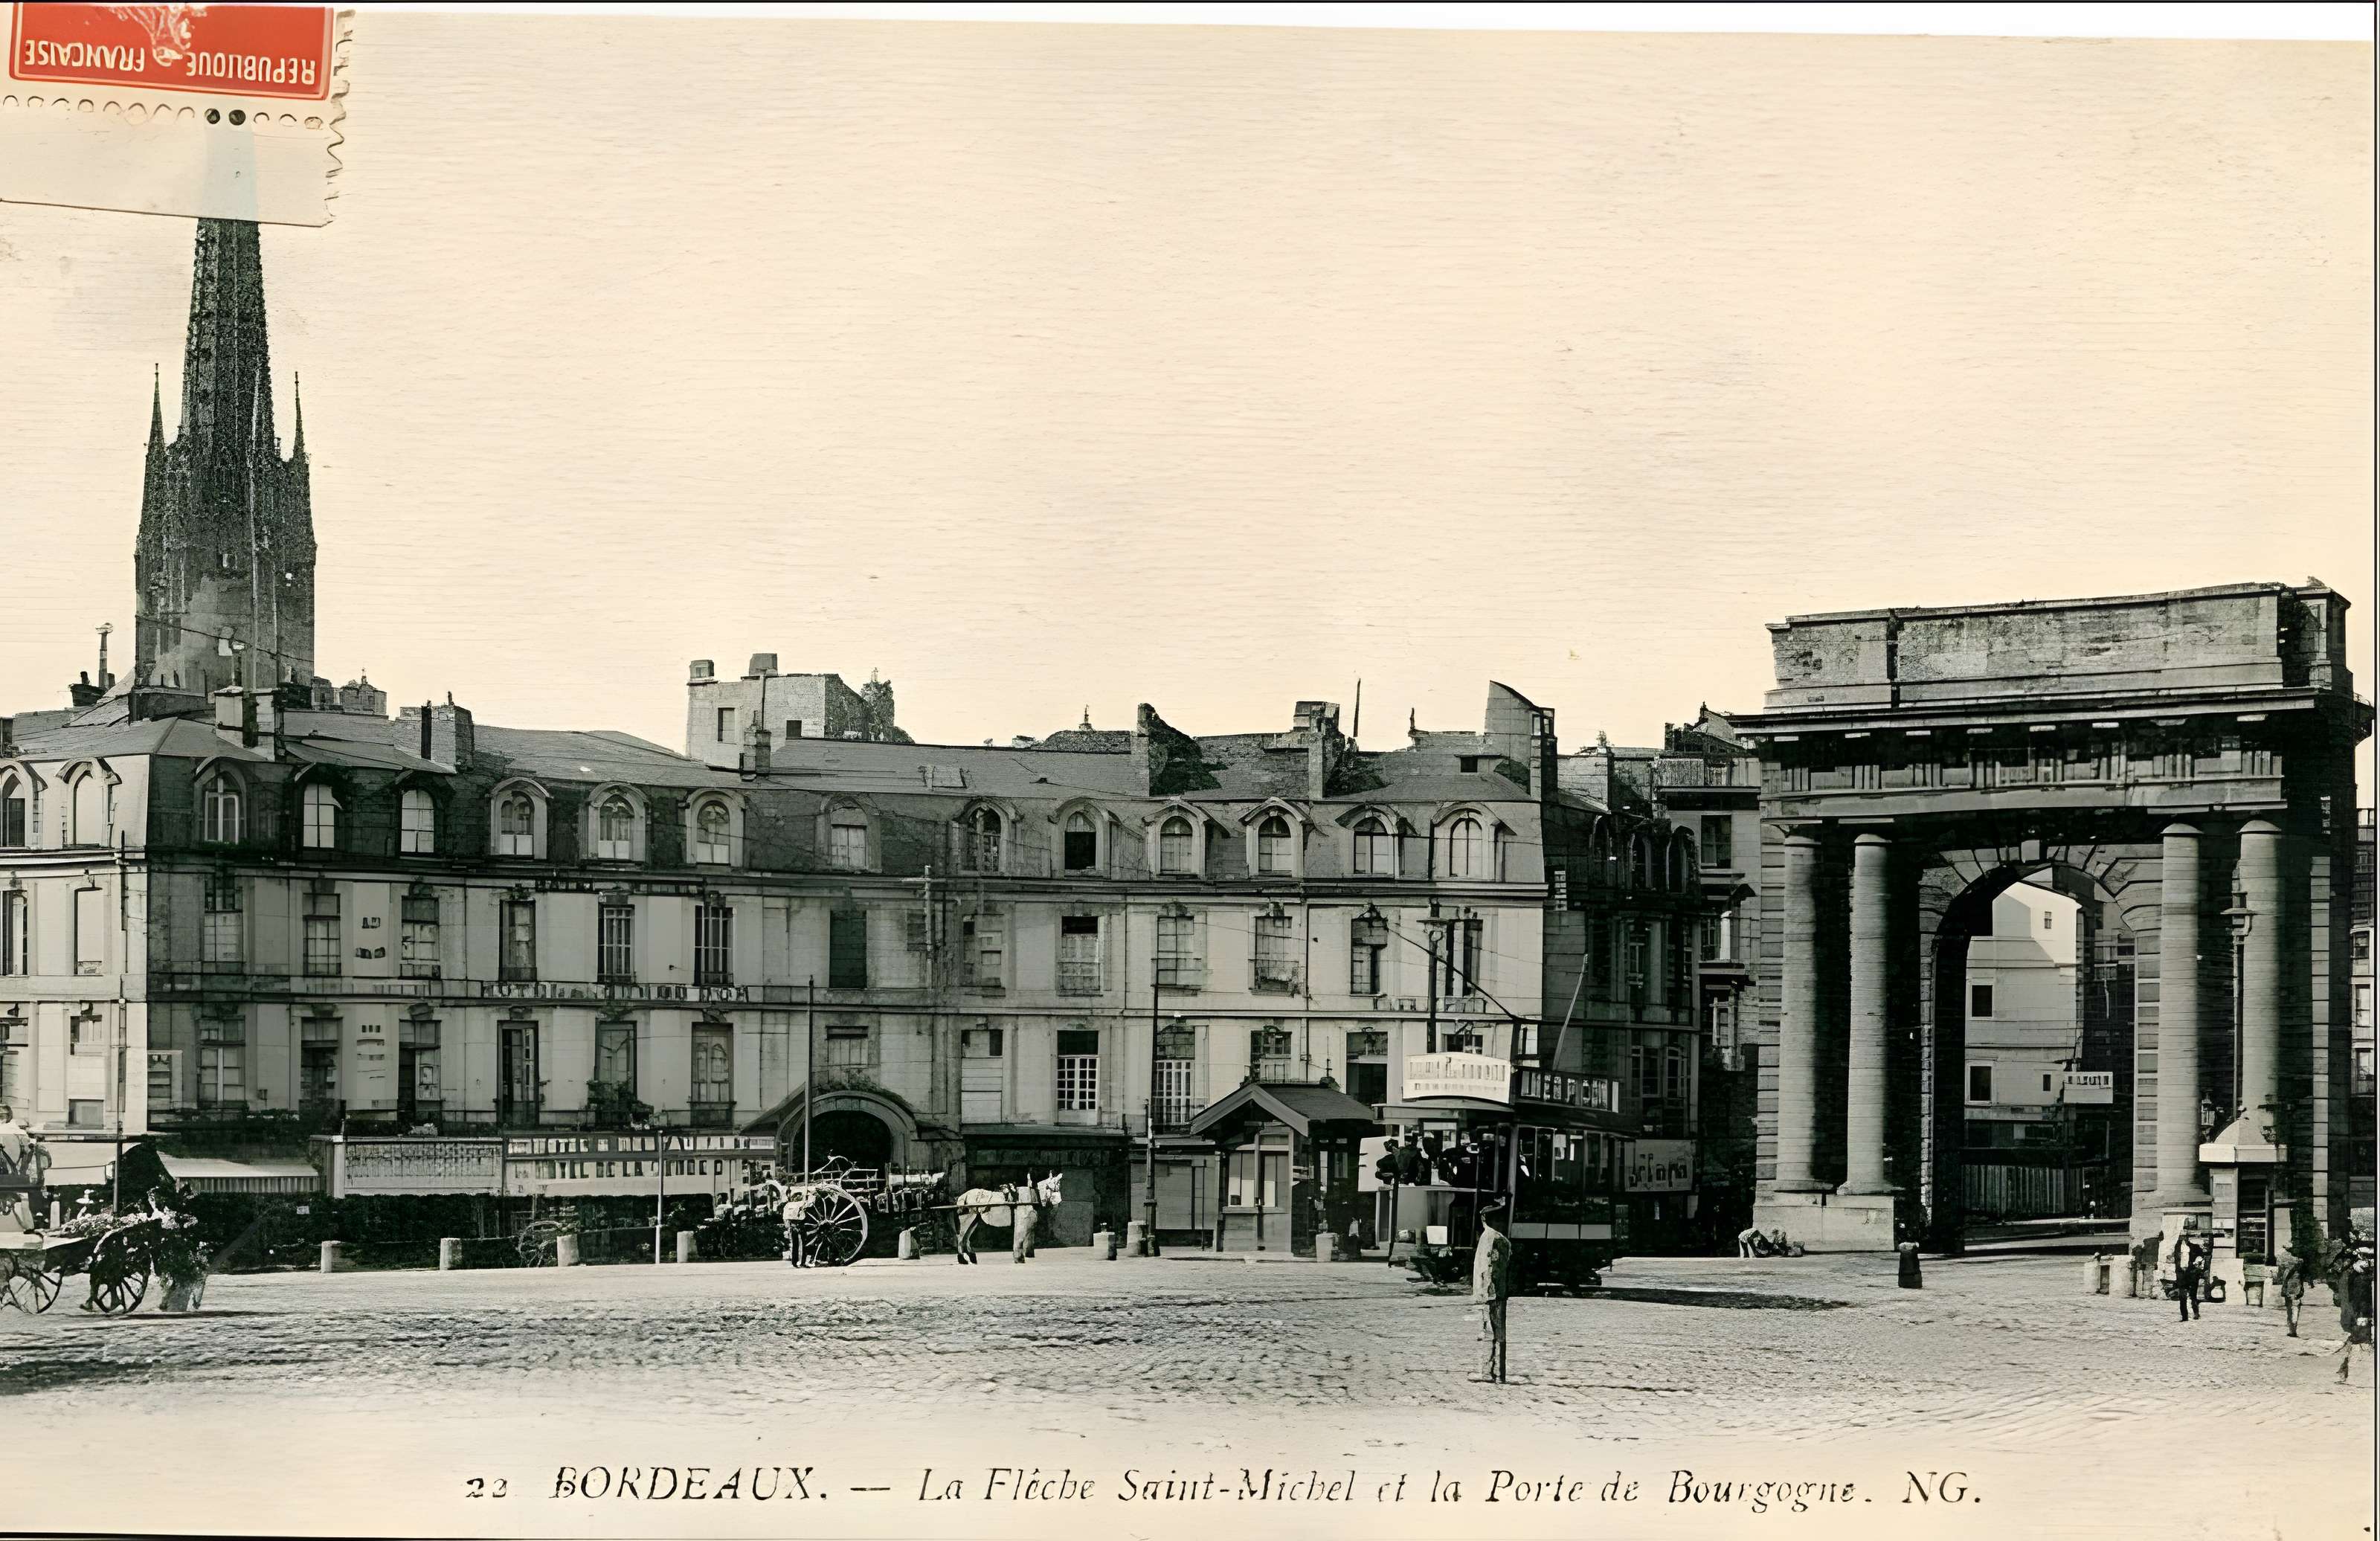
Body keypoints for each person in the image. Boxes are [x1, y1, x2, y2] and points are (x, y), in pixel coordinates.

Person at [1470, 1199, 1514, 1385]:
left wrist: (1485, 1291)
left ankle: (1492, 1371)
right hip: (1493, 1293)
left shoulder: (1490, 1238)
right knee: (1495, 1332)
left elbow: (1492, 1267)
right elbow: (1494, 1267)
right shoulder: (1495, 1238)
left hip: (1491, 1293)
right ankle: (1493, 1371)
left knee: (1493, 1332)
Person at [2338, 1236, 2373, 1383]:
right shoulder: (2358, 1274)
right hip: (2361, 1311)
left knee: (2359, 1339)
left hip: (2363, 1311)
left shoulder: (2359, 1275)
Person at [2174, 1232, 2207, 1322]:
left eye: (2185, 1237)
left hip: (2192, 1275)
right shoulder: (2176, 1248)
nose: (2183, 1239)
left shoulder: (2195, 1247)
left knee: (2193, 1296)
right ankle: (2184, 1317)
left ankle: (2196, 1313)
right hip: (2181, 1275)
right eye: (2181, 1237)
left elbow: (2201, 1258)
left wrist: (2197, 1266)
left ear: (2188, 1238)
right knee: (2182, 1296)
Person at [2274, 1249, 2308, 1338]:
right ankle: (2294, 1330)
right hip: (2297, 1289)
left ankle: (2292, 1330)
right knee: (2296, 1309)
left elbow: (2284, 1279)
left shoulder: (2286, 1263)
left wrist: (2284, 1288)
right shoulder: (2300, 1265)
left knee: (2289, 1310)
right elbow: (2302, 1279)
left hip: (2290, 1289)